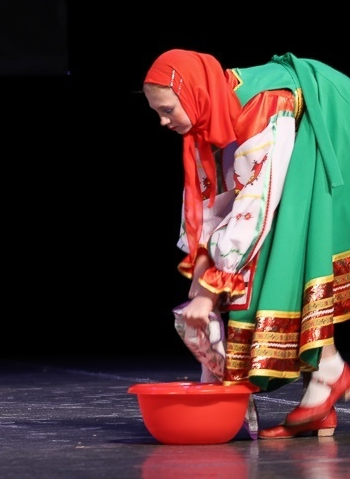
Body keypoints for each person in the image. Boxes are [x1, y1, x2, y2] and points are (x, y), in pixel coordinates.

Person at [143, 50, 350, 439]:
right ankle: (322, 390)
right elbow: (209, 204)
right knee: (270, 247)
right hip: (304, 132)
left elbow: (253, 207)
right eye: (158, 112)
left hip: (336, 124)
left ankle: (329, 372)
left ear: (191, 93)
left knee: (288, 243)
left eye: (167, 109)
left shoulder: (262, 105)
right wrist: (201, 273)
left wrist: (210, 291)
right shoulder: (209, 114)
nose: (163, 121)